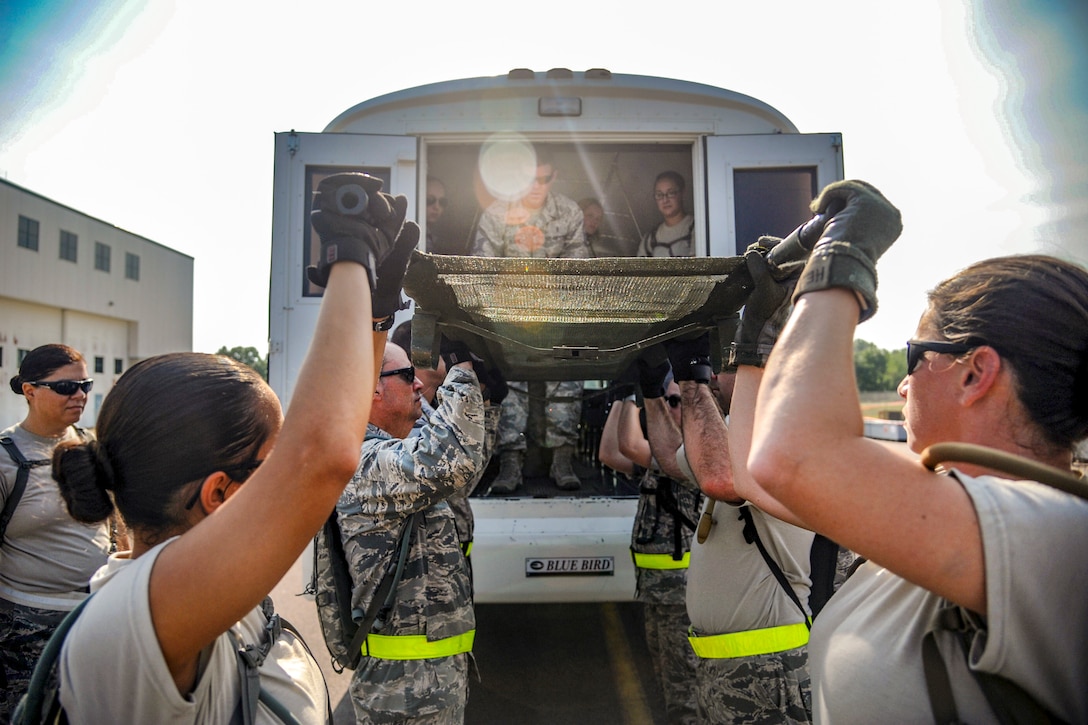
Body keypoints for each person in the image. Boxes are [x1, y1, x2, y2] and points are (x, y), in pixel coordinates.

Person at [49, 171, 416, 722]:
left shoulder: (193, 588)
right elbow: (321, 458)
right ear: (219, 492)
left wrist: (375, 313)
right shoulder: (130, 623)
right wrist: (350, 257)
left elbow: (335, 428)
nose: (284, 474)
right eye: (272, 463)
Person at [740, 180, 1088, 721]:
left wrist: (843, 258)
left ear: (975, 373)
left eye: (914, 356)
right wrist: (755, 346)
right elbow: (756, 473)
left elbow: (789, 458)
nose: (903, 386)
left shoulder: (1055, 534)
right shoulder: (949, 497)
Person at [632, 338, 815, 724]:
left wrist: (692, 380)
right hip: (730, 665)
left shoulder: (780, 433)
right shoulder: (736, 432)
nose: (715, 373)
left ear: (761, 368)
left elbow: (720, 478)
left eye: (728, 364)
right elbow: (673, 460)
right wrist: (653, 392)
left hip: (769, 673)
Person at [339, 339, 491, 724]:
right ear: (373, 389)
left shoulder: (389, 449)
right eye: (408, 376)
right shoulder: (367, 462)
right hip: (404, 693)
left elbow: (439, 439)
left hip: (421, 684)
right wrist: (462, 369)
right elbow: (451, 456)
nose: (420, 385)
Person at [0, 345, 110, 721]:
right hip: (25, 632)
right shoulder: (5, 458)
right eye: (65, 387)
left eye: (85, 384)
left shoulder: (92, 445)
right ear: (29, 390)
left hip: (94, 619)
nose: (79, 395)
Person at [472, 147, 589, 492]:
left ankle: (563, 461)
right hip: (511, 318)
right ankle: (511, 465)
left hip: (558, 318)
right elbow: (482, 265)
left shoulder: (568, 212)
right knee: (511, 386)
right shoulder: (497, 214)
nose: (537, 185)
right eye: (530, 179)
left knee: (566, 382)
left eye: (545, 178)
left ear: (553, 178)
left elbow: (579, 267)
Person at [599, 372, 700, 724]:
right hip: (658, 592)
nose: (670, 409)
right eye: (667, 401)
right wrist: (621, 397)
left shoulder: (691, 456)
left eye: (676, 401)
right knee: (667, 685)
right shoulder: (665, 453)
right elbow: (610, 452)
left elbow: (629, 445)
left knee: (685, 693)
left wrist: (640, 395)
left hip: (681, 596)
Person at [639, 171, 695, 258]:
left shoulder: (697, 229)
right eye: (659, 195)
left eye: (671, 193)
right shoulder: (649, 239)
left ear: (682, 193)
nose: (665, 200)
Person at [425, 176, 449, 252]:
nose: (436, 207)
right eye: (430, 200)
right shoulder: (411, 234)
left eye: (442, 202)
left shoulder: (438, 239)